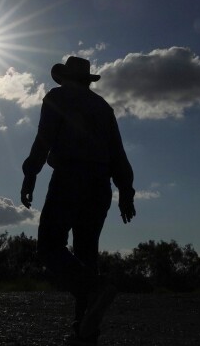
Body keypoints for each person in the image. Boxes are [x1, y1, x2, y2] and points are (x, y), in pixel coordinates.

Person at [20, 56, 136, 344]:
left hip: (70, 177)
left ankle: (95, 289)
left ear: (65, 78)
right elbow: (118, 153)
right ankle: (85, 332)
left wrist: (31, 173)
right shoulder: (103, 107)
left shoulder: (57, 97)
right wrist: (126, 191)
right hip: (100, 185)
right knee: (86, 255)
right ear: (87, 80)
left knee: (49, 247)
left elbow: (43, 138)